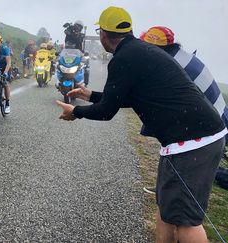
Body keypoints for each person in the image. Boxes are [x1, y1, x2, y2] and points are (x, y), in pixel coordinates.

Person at [56, 6, 226, 242]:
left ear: (103, 34)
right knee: (166, 209)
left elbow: (107, 112)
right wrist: (90, 95)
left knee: (186, 221)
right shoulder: (140, 51)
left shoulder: (124, 58)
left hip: (192, 143)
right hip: (194, 139)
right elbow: (128, 97)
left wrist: (75, 112)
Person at [139, 26, 228, 194]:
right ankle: (165, 187)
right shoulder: (181, 56)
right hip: (215, 115)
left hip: (209, 123)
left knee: (179, 148)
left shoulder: (170, 63)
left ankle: (169, 190)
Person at [0, 35, 12, 114]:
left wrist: (6, 72)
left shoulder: (5, 49)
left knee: (5, 83)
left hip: (5, 66)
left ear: (1, 44)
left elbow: (9, 63)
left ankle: (7, 103)